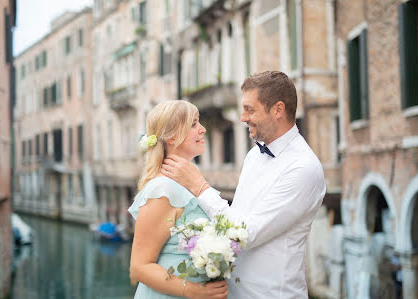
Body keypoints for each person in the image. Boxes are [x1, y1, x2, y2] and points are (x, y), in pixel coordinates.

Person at [162, 71, 326, 298]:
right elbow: (233, 218)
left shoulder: (303, 168)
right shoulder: (253, 156)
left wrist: (199, 186)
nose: (242, 117)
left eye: (250, 110)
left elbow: (245, 234)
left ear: (278, 110)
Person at [128, 100, 229, 299]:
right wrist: (196, 291)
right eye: (193, 124)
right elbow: (140, 267)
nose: (202, 130)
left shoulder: (188, 186)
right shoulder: (163, 190)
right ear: (172, 136)